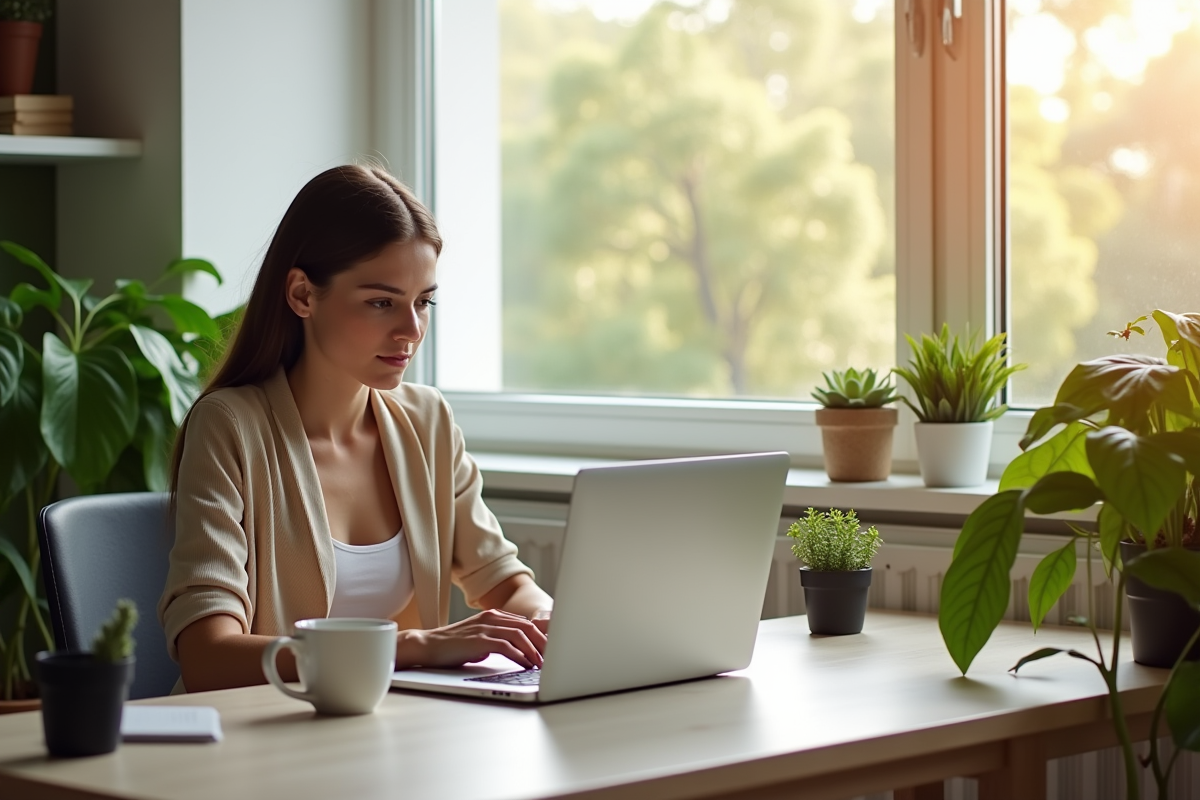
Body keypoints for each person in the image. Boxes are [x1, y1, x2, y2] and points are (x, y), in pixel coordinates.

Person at [159, 165, 553, 693]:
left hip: (389, 735)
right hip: (258, 744)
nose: (411, 330)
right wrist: (410, 647)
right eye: (381, 302)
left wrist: (548, 629)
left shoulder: (427, 422)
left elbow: (505, 581)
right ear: (302, 294)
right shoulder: (230, 427)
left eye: (423, 302)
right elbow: (208, 656)